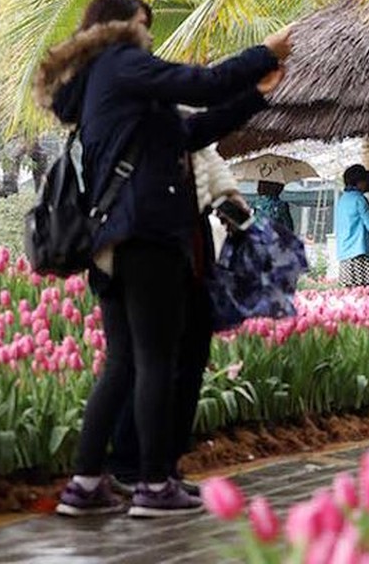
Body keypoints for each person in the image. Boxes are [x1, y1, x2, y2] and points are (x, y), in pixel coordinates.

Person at [35, 0, 289, 518]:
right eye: (142, 24)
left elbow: (191, 132)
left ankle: (85, 484)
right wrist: (263, 53)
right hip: (147, 234)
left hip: (115, 238)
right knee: (155, 360)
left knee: (125, 361)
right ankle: (153, 485)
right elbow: (204, 83)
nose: (148, 34)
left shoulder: (106, 85)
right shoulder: (123, 65)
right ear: (118, 27)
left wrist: (256, 97)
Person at [107, 144, 243, 497]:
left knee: (190, 357)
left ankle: (165, 467)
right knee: (150, 361)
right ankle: (130, 464)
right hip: (150, 240)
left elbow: (204, 149)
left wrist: (227, 194)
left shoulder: (182, 112)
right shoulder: (136, 106)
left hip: (190, 242)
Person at [335, 164, 369, 288]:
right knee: (365, 293)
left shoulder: (342, 199)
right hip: (361, 252)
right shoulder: (360, 199)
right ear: (360, 182)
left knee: (352, 296)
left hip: (345, 254)